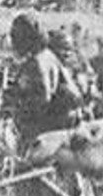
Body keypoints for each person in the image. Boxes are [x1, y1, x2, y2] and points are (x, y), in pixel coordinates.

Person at [7, 13, 81, 146]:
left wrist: (17, 108)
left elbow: (42, 100)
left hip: (56, 123)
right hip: (66, 117)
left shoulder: (38, 62)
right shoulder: (46, 55)